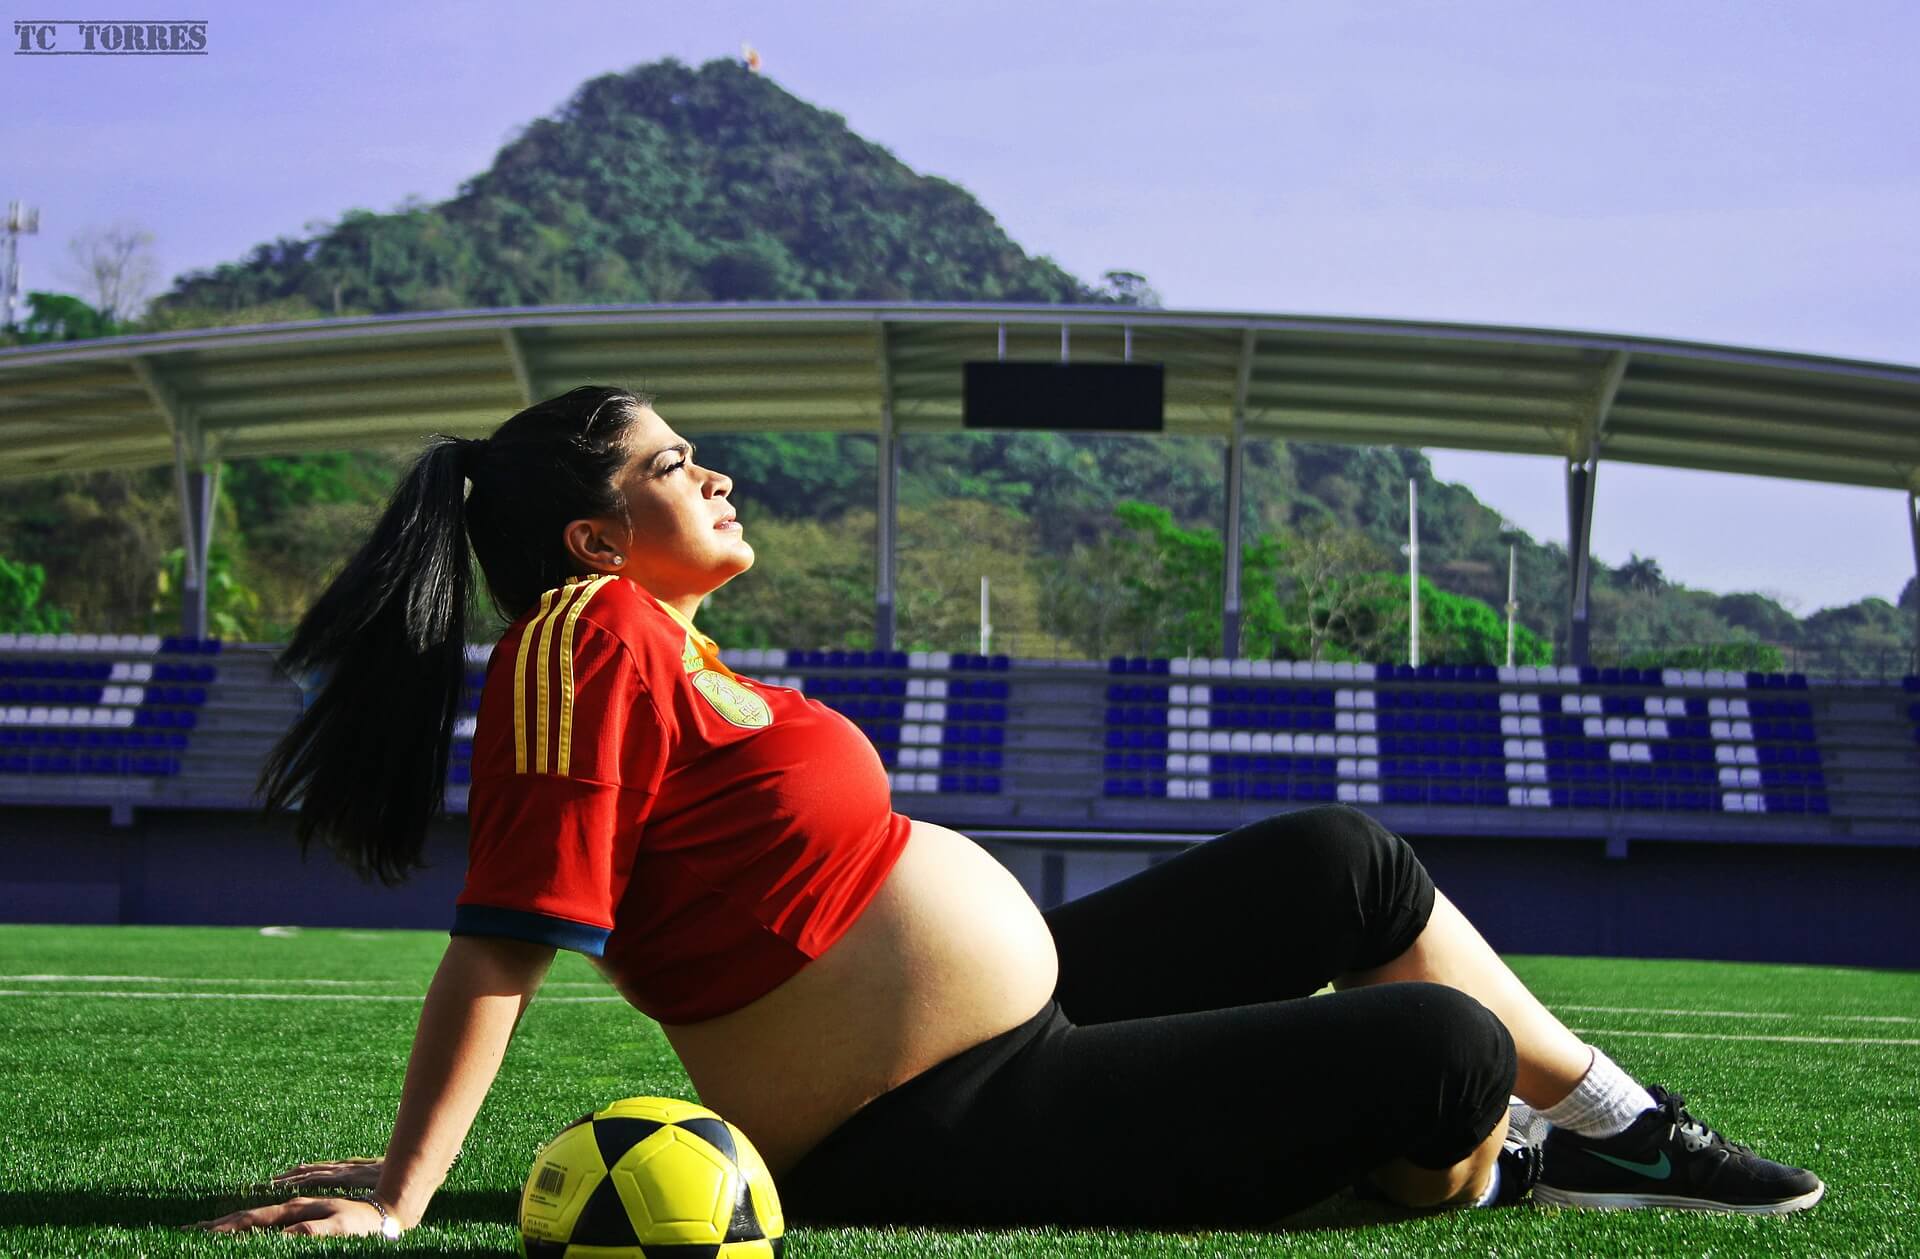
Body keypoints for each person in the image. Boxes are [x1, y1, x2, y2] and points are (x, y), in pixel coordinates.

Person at [190, 385, 1823, 1238]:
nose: (720, 475)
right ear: (594, 541)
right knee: (1441, 1059)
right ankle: (1495, 1164)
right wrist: (409, 1191)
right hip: (921, 1126)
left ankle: (1623, 1125)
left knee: (1343, 860)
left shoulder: (668, 642)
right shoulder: (584, 639)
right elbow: (508, 939)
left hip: (1018, 1022)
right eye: (680, 465)